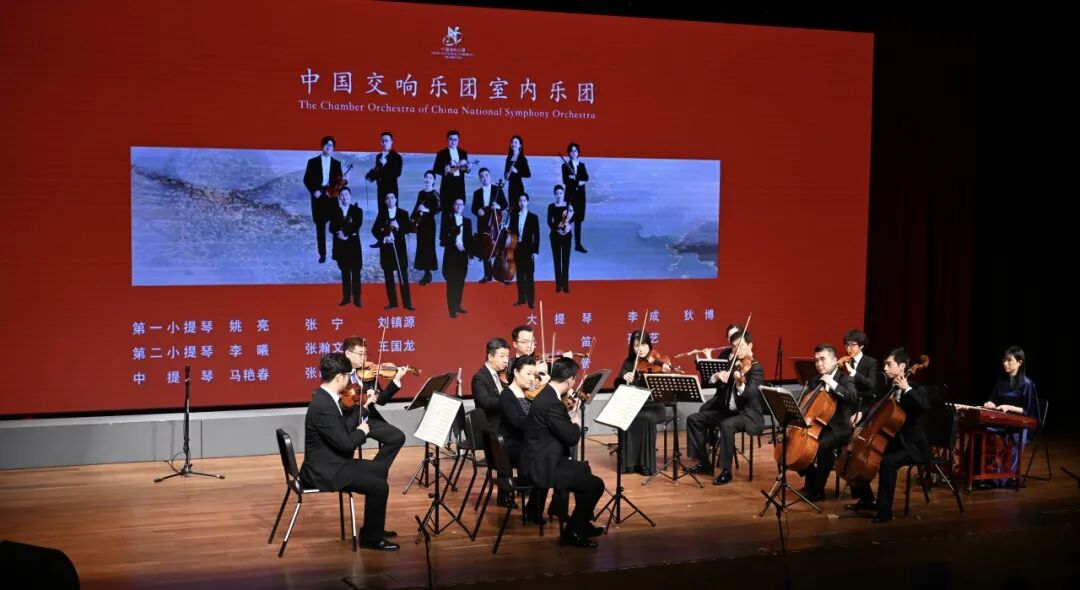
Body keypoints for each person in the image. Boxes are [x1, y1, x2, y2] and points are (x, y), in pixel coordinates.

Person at [298, 352, 398, 551]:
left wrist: (365, 408)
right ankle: (371, 539)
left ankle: (373, 529)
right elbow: (346, 444)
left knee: (379, 470)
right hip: (325, 470)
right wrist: (362, 432)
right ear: (339, 377)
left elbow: (342, 428)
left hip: (332, 462)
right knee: (379, 487)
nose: (349, 380)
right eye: (347, 376)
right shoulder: (324, 405)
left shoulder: (326, 397)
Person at [520, 357, 606, 547]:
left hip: (542, 458)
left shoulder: (546, 395)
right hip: (542, 467)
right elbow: (571, 437)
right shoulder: (552, 402)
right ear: (570, 380)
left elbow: (555, 426)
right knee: (596, 485)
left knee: (584, 469)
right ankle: (573, 532)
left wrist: (566, 417)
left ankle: (581, 524)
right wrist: (575, 421)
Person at [847, 348, 931, 523]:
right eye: (885, 364)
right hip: (891, 441)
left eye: (889, 364)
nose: (884, 368)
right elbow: (873, 404)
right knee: (855, 453)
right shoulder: (888, 388)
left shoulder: (916, 388)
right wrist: (862, 413)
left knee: (888, 462)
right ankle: (867, 499)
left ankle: (884, 511)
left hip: (911, 446)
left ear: (902, 367)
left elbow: (924, 406)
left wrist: (907, 389)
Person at [685, 329, 765, 485]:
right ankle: (704, 463)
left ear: (750, 346)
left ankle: (726, 471)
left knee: (726, 425)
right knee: (694, 419)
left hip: (747, 414)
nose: (737, 350)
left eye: (741, 346)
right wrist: (717, 376)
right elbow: (713, 383)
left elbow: (750, 393)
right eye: (734, 347)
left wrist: (740, 382)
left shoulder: (755, 368)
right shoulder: (733, 364)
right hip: (728, 411)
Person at [799, 344, 858, 502]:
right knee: (796, 445)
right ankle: (812, 479)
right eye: (816, 360)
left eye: (822, 359)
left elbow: (852, 397)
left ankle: (818, 490)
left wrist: (832, 383)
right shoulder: (814, 381)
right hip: (818, 426)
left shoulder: (845, 379)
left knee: (821, 446)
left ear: (834, 360)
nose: (819, 364)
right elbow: (804, 404)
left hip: (838, 428)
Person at [341, 336, 408, 473]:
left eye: (365, 354)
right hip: (348, 420)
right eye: (360, 354)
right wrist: (364, 399)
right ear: (347, 353)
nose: (364, 358)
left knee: (397, 437)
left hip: (368, 418)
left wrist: (396, 379)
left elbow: (382, 400)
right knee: (345, 448)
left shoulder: (368, 373)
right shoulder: (338, 374)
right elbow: (342, 403)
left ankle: (374, 471)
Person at [612, 330, 670, 475]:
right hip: (635, 404)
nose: (641, 349)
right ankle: (629, 463)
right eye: (636, 345)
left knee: (647, 417)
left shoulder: (658, 361)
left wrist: (666, 372)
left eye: (644, 345)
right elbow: (617, 385)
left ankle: (646, 464)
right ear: (632, 347)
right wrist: (624, 378)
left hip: (655, 405)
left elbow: (666, 388)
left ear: (649, 345)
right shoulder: (629, 363)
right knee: (626, 414)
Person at [302, 135, 343, 263]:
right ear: (322, 146)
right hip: (318, 197)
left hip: (332, 197)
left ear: (333, 148)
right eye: (326, 145)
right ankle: (322, 254)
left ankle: (336, 253)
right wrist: (314, 191)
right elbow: (306, 179)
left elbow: (339, 182)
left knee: (336, 226)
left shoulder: (337, 164)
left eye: (331, 145)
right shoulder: (312, 162)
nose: (328, 147)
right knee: (320, 227)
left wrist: (341, 184)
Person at [371, 193, 414, 310]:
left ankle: (407, 304)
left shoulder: (403, 213)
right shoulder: (382, 214)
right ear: (385, 201)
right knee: (389, 278)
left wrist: (399, 226)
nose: (390, 200)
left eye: (392, 198)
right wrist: (384, 238)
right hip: (387, 250)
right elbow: (374, 230)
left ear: (396, 199)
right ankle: (392, 303)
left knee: (403, 277)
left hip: (400, 250)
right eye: (387, 198)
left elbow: (409, 229)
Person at [329, 187, 363, 307]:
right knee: (345, 273)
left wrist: (345, 233)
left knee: (356, 273)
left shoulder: (357, 210)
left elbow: (357, 224)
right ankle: (346, 298)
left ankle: (357, 299)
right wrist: (339, 233)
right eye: (342, 195)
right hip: (341, 246)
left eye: (347, 194)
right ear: (339, 197)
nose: (345, 197)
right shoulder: (335, 211)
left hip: (354, 247)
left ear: (350, 196)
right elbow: (331, 228)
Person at [440, 198, 472, 318]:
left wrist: (471, 256)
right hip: (451, 254)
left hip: (463, 254)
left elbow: (469, 240)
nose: (459, 206)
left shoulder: (467, 221)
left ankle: (458, 306)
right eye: (456, 204)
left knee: (460, 282)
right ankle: (451, 309)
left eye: (461, 204)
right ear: (453, 206)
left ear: (463, 206)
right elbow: (443, 238)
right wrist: (455, 242)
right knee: (451, 282)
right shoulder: (447, 220)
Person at [510, 193, 540, 308]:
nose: (522, 203)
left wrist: (535, 251)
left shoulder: (533, 217)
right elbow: (511, 232)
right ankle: (521, 299)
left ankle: (531, 301)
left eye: (524, 200)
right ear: (518, 203)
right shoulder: (514, 216)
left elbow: (536, 235)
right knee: (519, 276)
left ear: (527, 202)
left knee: (529, 276)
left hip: (528, 249)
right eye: (520, 201)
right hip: (517, 248)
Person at [411, 171, 441, 285]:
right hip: (420, 223)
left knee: (429, 246)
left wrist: (427, 210)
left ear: (433, 180)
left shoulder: (435, 193)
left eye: (430, 178)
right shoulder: (421, 193)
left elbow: (439, 208)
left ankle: (428, 273)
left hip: (429, 224)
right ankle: (425, 272)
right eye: (426, 177)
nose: (428, 179)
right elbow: (417, 206)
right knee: (421, 246)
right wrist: (412, 218)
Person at [433, 129, 471, 214]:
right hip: (447, 185)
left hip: (460, 185)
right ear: (447, 140)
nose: (453, 142)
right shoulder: (441, 153)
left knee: (459, 211)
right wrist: (445, 170)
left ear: (458, 140)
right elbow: (436, 169)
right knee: (446, 211)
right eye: (451, 139)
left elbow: (464, 169)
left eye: (455, 139)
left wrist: (468, 168)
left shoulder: (463, 153)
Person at [561, 142, 589, 253]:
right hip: (570, 196)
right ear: (569, 153)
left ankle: (578, 245)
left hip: (581, 196)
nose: (574, 153)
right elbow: (565, 181)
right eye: (572, 151)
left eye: (575, 151)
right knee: (566, 219)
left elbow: (586, 178)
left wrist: (574, 178)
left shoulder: (582, 165)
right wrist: (578, 181)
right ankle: (562, 240)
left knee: (578, 220)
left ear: (578, 152)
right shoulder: (565, 166)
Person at [547, 185, 574, 293]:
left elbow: (571, 219)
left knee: (566, 260)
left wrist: (569, 226)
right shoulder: (551, 206)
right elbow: (549, 222)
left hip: (567, 235)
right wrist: (557, 229)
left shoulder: (568, 206)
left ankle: (566, 285)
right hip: (555, 236)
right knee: (557, 260)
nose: (559, 195)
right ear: (554, 195)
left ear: (563, 194)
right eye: (557, 193)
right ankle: (558, 285)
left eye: (561, 193)